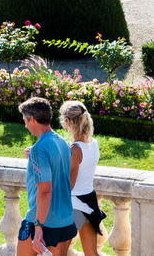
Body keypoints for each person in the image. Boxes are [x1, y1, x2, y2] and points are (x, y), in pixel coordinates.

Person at [18, 97, 77, 256]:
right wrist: (34, 155)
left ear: (32, 120)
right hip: (65, 221)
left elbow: (45, 191)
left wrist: (38, 228)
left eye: (25, 120)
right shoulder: (62, 142)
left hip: (42, 222)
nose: (24, 125)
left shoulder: (39, 149)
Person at [60, 101, 106, 256]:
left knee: (59, 252)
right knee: (92, 252)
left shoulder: (75, 149)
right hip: (89, 201)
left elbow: (70, 184)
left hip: (74, 204)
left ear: (67, 122)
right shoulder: (94, 144)